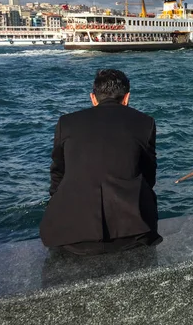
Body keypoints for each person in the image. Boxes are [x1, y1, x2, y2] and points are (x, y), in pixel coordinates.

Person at [39, 69, 161, 255]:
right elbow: (149, 176)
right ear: (127, 97)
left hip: (68, 234)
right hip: (133, 233)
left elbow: (58, 174)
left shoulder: (67, 123)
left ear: (93, 98)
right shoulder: (144, 122)